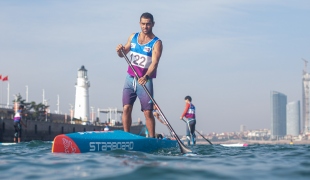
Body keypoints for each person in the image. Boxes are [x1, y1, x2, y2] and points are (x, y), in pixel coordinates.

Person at [116, 12, 163, 138]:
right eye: (143, 24)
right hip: (130, 78)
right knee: (126, 108)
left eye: (148, 24)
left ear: (153, 24)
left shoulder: (156, 43)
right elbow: (123, 53)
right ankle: (127, 137)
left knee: (148, 112)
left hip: (145, 81)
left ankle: (151, 139)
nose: (145, 26)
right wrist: (120, 51)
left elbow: (154, 63)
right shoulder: (133, 37)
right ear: (139, 24)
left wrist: (146, 76)